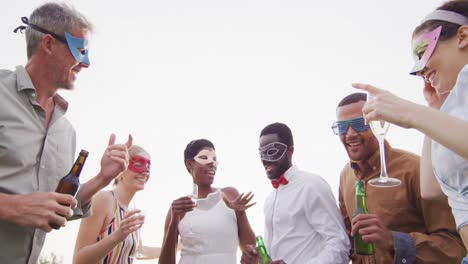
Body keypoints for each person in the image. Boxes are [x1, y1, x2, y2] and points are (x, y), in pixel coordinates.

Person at [0, 3, 132, 263]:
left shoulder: (65, 131)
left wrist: (102, 178)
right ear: (48, 44)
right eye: (80, 50)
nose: (86, 63)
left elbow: (58, 209)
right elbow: (25, 208)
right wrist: (11, 207)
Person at [351, 0, 468, 261]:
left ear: (463, 37)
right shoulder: (453, 112)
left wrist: (410, 113)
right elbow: (432, 190)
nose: (420, 69)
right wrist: (434, 108)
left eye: (423, 51)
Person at [334, 92, 466, 263]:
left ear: (377, 123)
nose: (350, 133)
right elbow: (348, 240)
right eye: (342, 127)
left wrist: (393, 241)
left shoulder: (416, 169)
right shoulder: (345, 177)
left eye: (360, 124)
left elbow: (454, 245)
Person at [241, 122, 350, 264]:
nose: (265, 158)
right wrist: (256, 258)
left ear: (290, 151)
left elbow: (340, 245)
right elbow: (274, 253)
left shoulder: (311, 185)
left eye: (272, 151)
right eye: (261, 153)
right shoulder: (270, 199)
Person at [159, 139, 256, 264]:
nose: (212, 163)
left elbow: (250, 250)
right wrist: (174, 221)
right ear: (190, 164)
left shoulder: (230, 195)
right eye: (204, 157)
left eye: (214, 159)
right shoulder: (179, 208)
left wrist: (241, 213)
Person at [73, 145, 161, 264]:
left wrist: (180, 245)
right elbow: (79, 260)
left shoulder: (131, 211)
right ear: (121, 169)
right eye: (139, 164)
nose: (145, 171)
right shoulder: (104, 200)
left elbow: (140, 251)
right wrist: (117, 236)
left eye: (148, 166)